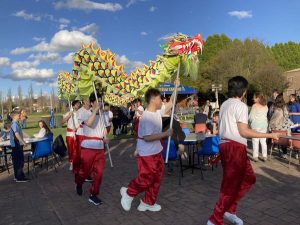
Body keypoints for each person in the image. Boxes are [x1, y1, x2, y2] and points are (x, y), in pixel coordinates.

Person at [207, 76, 278, 225]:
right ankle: (215, 219)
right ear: (244, 91)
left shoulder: (225, 104)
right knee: (230, 186)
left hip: (227, 146)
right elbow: (244, 132)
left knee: (249, 178)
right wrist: (269, 134)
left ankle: (229, 210)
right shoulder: (240, 106)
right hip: (234, 148)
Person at [120, 88, 173, 212]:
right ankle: (129, 193)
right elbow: (148, 137)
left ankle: (147, 202)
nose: (162, 101)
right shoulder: (147, 116)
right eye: (160, 98)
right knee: (146, 179)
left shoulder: (157, 112)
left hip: (156, 152)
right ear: (154, 99)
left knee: (157, 179)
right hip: (147, 155)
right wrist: (165, 134)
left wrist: (175, 89)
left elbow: (170, 104)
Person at [75, 92, 107, 206]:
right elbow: (88, 123)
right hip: (88, 147)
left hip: (100, 148)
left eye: (101, 101)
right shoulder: (84, 113)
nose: (101, 104)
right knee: (85, 172)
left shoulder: (104, 114)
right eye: (98, 101)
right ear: (92, 103)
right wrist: (94, 111)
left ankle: (93, 194)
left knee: (99, 173)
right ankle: (79, 182)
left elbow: (104, 129)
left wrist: (105, 137)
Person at [269, 94, 294, 159]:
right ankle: (285, 153)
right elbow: (286, 116)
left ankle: (278, 148)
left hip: (274, 129)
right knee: (286, 133)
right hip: (283, 132)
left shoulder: (273, 106)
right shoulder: (284, 107)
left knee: (279, 134)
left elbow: (270, 115)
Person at [9, 109, 30, 182]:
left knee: (16, 161)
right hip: (16, 145)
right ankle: (20, 177)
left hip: (16, 145)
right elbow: (16, 134)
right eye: (18, 115)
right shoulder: (14, 124)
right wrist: (23, 142)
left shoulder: (15, 123)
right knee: (19, 161)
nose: (20, 116)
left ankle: (17, 176)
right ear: (14, 116)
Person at [249, 93, 269, 162]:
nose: (253, 99)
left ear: (258, 98)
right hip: (263, 125)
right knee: (263, 141)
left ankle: (255, 156)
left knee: (255, 141)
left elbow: (251, 117)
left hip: (256, 125)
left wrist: (249, 121)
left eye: (254, 97)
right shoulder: (266, 106)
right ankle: (265, 156)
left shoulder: (254, 106)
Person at [62, 100, 81, 171]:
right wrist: (69, 116)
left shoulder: (80, 114)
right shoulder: (68, 113)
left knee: (77, 149)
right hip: (69, 134)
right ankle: (71, 163)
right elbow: (62, 122)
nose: (78, 105)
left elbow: (82, 123)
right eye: (77, 104)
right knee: (70, 149)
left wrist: (77, 128)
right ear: (73, 106)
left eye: (79, 104)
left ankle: (77, 163)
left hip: (78, 133)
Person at [74, 99, 91, 175]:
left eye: (90, 101)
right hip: (81, 134)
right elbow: (82, 122)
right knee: (80, 153)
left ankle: (87, 168)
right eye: (88, 100)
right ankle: (78, 169)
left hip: (90, 134)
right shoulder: (80, 111)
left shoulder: (91, 110)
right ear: (84, 101)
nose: (89, 102)